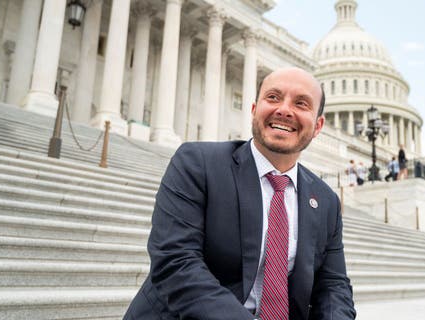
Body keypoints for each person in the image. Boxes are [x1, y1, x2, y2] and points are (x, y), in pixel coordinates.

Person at [124, 67, 356, 320]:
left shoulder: (326, 201)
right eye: (273, 97)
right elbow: (176, 261)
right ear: (255, 109)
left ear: (318, 125)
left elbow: (334, 286)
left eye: (301, 103)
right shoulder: (197, 163)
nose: (284, 110)